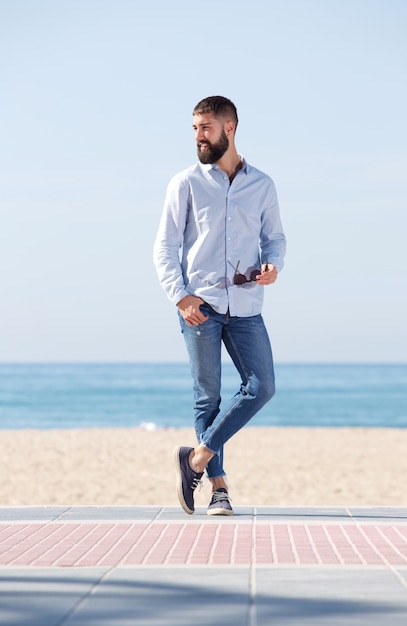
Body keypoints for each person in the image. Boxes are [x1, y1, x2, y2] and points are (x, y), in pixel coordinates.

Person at [153, 96, 286, 515]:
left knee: (261, 386)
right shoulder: (185, 183)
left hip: (246, 304)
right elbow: (165, 247)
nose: (198, 136)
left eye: (205, 127)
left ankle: (194, 458)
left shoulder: (262, 184)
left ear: (230, 128)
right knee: (207, 397)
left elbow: (275, 239)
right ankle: (219, 488)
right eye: (194, 128)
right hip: (200, 307)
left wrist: (273, 265)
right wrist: (180, 296)